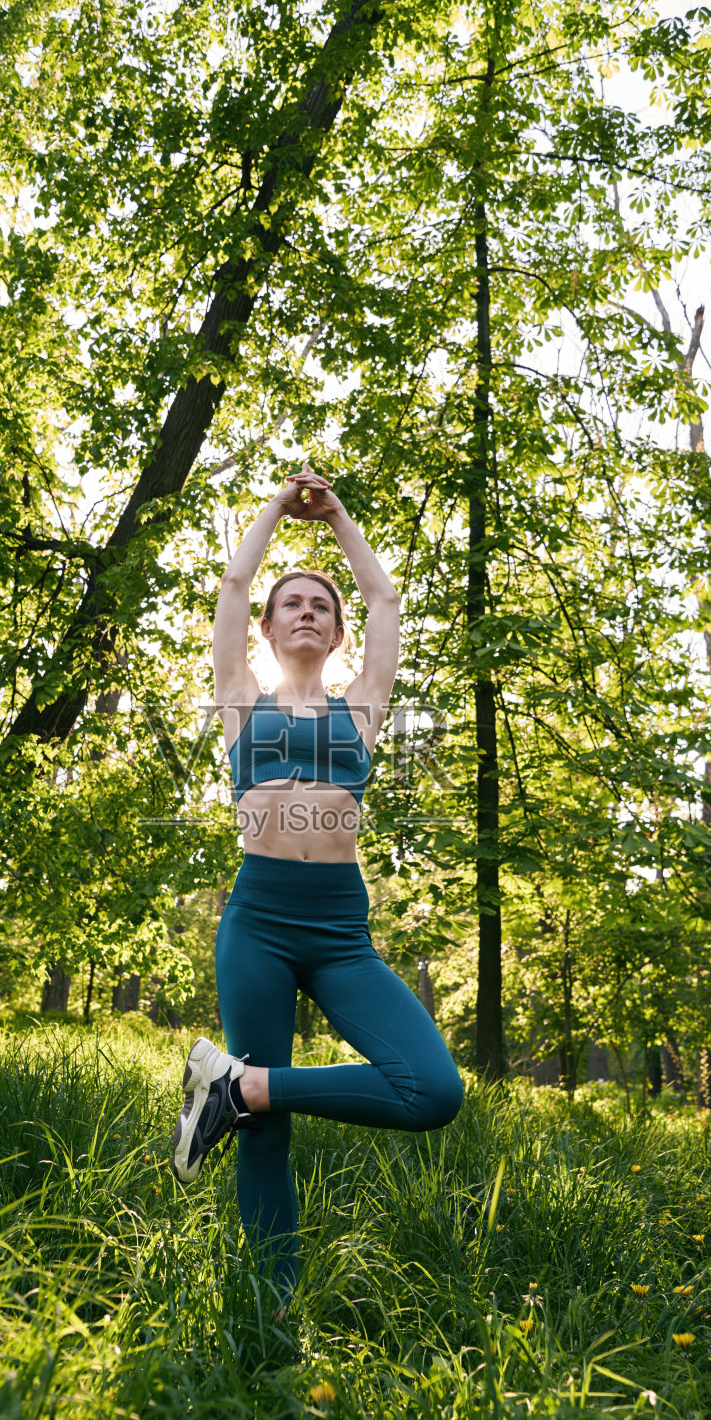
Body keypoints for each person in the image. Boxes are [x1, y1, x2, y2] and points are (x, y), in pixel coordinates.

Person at [171, 465, 463, 1304]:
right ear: (266, 628)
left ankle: (238, 1087)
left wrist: (334, 515)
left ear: (336, 635)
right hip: (257, 920)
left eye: (320, 607)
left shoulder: (362, 708)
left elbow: (388, 604)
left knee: (431, 1090)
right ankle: (272, 1312)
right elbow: (231, 582)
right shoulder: (239, 699)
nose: (307, 611)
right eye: (290, 604)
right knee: (265, 1140)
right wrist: (273, 506)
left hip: (340, 930)